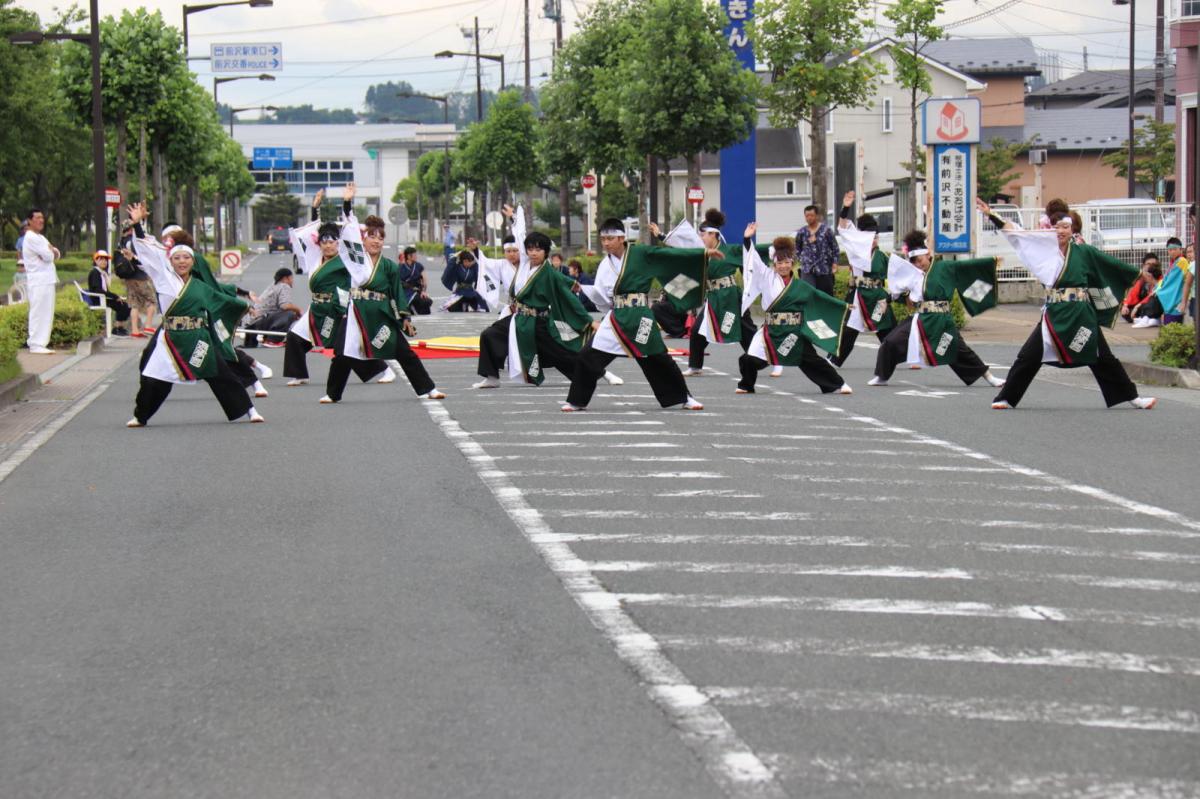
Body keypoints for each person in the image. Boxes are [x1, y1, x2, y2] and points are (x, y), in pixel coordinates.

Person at [981, 201, 1156, 410]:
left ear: (1072, 229)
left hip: (1081, 313)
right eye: (1056, 227)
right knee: (1029, 355)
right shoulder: (1044, 249)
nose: (1061, 231)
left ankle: (1133, 398)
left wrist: (1138, 274)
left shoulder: (1083, 251)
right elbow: (1017, 235)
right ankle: (1006, 397)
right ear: (1051, 229)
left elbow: (1109, 265)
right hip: (1054, 313)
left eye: (1065, 227)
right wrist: (991, 214)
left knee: (1103, 357)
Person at [124, 202, 263, 427]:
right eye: (177, 258)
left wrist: (244, 306)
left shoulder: (198, 286)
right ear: (171, 261)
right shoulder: (163, 277)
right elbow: (151, 254)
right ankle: (140, 416)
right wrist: (138, 225)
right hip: (170, 339)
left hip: (197, 338)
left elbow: (220, 299)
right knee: (152, 379)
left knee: (222, 375)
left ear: (192, 261)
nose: (182, 261)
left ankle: (250, 410)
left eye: (186, 258)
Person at [562, 217, 709, 411]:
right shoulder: (605, 265)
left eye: (610, 239)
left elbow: (667, 256)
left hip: (640, 315)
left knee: (659, 358)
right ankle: (576, 400)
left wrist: (702, 254)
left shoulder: (640, 253)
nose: (606, 243)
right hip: (617, 317)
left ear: (622, 238)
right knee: (587, 356)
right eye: (603, 239)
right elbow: (602, 296)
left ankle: (684, 397)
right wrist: (583, 289)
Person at [321, 213, 444, 404]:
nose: (376, 241)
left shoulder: (389, 266)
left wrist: (405, 318)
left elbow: (397, 293)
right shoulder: (355, 261)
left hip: (380, 313)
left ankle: (428, 388)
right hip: (356, 312)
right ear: (364, 238)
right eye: (372, 236)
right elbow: (349, 234)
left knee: (404, 352)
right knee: (342, 353)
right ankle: (332, 393)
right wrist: (347, 204)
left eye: (380, 238)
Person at [283, 186, 393, 388]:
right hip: (316, 309)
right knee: (295, 337)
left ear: (338, 243)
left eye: (332, 241)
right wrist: (315, 208)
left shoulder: (345, 259)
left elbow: (350, 229)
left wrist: (347, 203)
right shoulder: (316, 258)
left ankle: (384, 369)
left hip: (336, 308)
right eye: (323, 241)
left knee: (345, 347)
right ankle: (299, 374)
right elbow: (311, 231)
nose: (327, 245)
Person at [870, 229, 1006, 389]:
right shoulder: (913, 273)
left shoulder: (945, 267)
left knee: (958, 349)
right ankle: (882, 376)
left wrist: (991, 261)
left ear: (928, 254)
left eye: (920, 260)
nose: (918, 264)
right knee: (891, 342)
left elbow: (967, 267)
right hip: (920, 320)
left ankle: (989, 377)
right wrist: (887, 301)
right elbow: (898, 291)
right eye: (913, 262)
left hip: (941, 320)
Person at [475, 213, 595, 388]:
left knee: (560, 353)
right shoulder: (524, 262)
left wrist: (589, 321)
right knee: (490, 335)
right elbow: (520, 234)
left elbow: (566, 295)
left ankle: (593, 372)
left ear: (546, 252)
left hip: (539, 321)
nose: (533, 253)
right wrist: (513, 219)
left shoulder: (548, 273)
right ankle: (491, 377)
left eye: (538, 250)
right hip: (519, 318)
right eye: (530, 249)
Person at [735, 225, 851, 395]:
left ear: (792, 263)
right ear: (774, 264)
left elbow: (820, 298)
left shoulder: (800, 286)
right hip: (771, 331)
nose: (783, 266)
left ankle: (837, 384)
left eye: (787, 262)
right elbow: (752, 261)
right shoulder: (766, 276)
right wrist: (747, 239)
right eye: (779, 263)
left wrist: (844, 306)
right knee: (749, 359)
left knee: (811, 360)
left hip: (793, 332)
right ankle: (746, 385)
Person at [832, 190, 896, 366]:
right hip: (859, 296)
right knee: (849, 330)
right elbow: (843, 228)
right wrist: (845, 208)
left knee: (886, 329)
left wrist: (891, 296)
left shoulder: (882, 256)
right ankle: (835, 359)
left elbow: (896, 275)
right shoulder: (856, 250)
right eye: (869, 237)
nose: (873, 240)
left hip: (877, 297)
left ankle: (900, 355)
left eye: (875, 237)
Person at [20, 208, 59, 354]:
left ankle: (42, 342)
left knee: (46, 312)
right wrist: (50, 252)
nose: (41, 220)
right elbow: (49, 256)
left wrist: (51, 251)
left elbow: (56, 253)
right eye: (37, 217)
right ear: (29, 221)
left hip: (47, 279)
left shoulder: (41, 237)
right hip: (38, 280)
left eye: (42, 217)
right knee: (38, 312)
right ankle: (35, 343)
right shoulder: (30, 237)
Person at [113, 222, 157, 337]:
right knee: (151, 300)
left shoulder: (120, 243)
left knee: (134, 304)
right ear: (132, 229)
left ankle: (135, 330)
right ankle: (148, 326)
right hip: (140, 276)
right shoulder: (133, 241)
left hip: (128, 278)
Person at [243, 267, 302, 347]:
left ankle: (266, 338)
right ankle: (272, 340)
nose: (292, 281)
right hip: (259, 322)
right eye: (291, 278)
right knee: (290, 314)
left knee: (285, 313)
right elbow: (285, 306)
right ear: (285, 278)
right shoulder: (284, 286)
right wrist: (298, 311)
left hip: (251, 323)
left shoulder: (273, 286)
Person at [796, 203, 838, 295]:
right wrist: (802, 259)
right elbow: (797, 248)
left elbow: (834, 247)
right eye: (807, 216)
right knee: (808, 294)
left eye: (811, 215)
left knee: (825, 295)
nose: (809, 218)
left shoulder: (826, 230)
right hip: (807, 269)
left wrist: (834, 263)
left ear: (817, 216)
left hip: (824, 268)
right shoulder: (802, 232)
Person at [85, 251, 130, 336]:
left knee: (124, 305)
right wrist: (114, 296)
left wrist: (115, 296)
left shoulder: (102, 273)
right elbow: (98, 290)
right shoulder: (95, 273)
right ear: (96, 261)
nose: (104, 262)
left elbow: (105, 291)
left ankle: (119, 327)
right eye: (101, 259)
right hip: (98, 299)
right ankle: (117, 328)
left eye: (105, 260)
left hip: (103, 298)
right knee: (123, 306)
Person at [1158, 237, 1193, 325]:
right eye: (1170, 250)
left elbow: (1172, 282)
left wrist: (1158, 289)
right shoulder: (1175, 262)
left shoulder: (1182, 261)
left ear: (1180, 249)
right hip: (1174, 303)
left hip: (1176, 302)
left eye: (1174, 249)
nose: (1172, 252)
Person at [1122, 254, 1161, 325]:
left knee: (1151, 304)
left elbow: (1152, 296)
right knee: (1126, 311)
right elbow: (1133, 294)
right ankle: (1142, 317)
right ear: (1143, 265)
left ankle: (1144, 318)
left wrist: (1138, 306)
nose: (1151, 266)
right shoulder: (1141, 279)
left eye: (1153, 264)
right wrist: (1125, 305)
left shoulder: (1160, 278)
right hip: (1143, 306)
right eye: (1148, 264)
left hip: (1152, 305)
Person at [398, 247, 432, 315]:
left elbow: (424, 280)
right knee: (412, 300)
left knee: (427, 301)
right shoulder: (400, 267)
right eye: (414, 255)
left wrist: (423, 291)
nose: (416, 256)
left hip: (417, 290)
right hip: (405, 291)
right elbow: (397, 282)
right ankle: (410, 308)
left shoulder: (419, 266)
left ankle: (414, 309)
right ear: (408, 256)